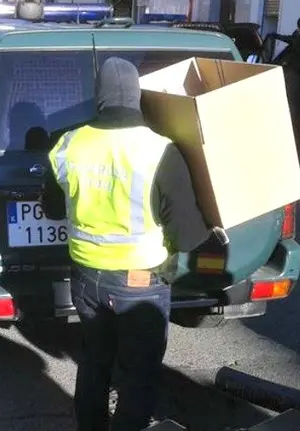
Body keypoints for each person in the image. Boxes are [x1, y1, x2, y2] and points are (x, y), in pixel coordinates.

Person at [42, 57, 217, 430]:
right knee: (138, 375)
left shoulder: (68, 144)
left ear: (98, 95)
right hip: (141, 283)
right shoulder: (160, 150)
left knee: (94, 363)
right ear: (138, 95)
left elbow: (52, 208)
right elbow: (187, 235)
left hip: (87, 278)